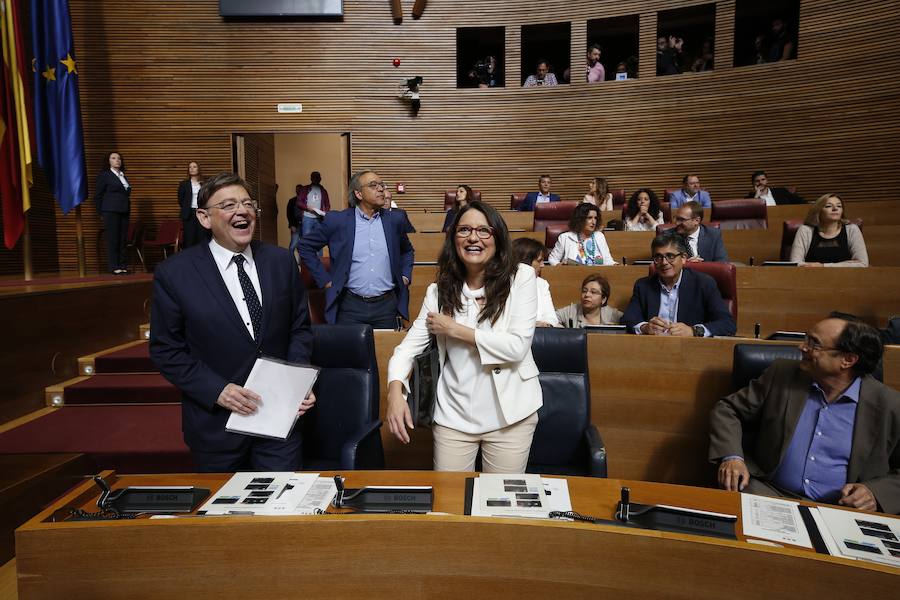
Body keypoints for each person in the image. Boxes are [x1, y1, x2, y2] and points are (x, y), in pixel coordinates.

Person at [149, 172, 316, 472]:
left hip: (279, 424)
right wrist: (217, 390)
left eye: (247, 203)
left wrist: (298, 382)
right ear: (204, 218)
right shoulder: (175, 274)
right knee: (223, 516)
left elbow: (299, 329)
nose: (242, 211)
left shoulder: (281, 262)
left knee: (284, 511)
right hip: (215, 427)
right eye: (228, 205)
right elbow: (166, 350)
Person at [385, 200, 542, 473]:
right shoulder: (438, 291)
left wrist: (455, 330)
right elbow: (407, 349)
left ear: (498, 238)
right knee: (451, 504)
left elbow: (516, 347)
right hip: (453, 417)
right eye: (464, 230)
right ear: (453, 238)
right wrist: (395, 391)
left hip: (511, 417)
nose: (473, 237)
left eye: (484, 230)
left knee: (500, 505)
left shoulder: (521, 278)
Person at [710, 314, 900, 514]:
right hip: (767, 493)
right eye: (806, 338)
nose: (802, 347)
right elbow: (727, 409)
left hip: (842, 511)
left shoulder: (889, 406)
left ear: (848, 360)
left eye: (814, 344)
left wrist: (875, 493)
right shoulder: (782, 374)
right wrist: (732, 457)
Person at [298, 170, 414, 328]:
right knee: (349, 352)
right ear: (359, 194)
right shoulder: (337, 221)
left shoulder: (395, 220)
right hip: (350, 306)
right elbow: (305, 246)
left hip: (387, 306)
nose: (381, 189)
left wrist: (405, 275)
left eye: (381, 185)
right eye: (373, 185)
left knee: (386, 352)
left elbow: (407, 250)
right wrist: (324, 280)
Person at [623, 233, 736, 337]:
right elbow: (628, 319)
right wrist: (645, 327)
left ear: (683, 258)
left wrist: (693, 331)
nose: (664, 262)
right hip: (653, 347)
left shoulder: (704, 284)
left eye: (670, 256)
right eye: (658, 257)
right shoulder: (643, 285)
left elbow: (727, 324)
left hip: (690, 349)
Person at [790, 193, 868, 267]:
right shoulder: (806, 230)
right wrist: (848, 264)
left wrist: (823, 266)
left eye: (839, 206)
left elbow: (862, 264)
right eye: (828, 206)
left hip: (846, 278)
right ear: (818, 211)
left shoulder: (851, 230)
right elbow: (796, 263)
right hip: (810, 277)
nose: (835, 209)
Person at [94, 152, 131, 274]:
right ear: (108, 161)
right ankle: (114, 266)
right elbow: (98, 195)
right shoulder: (105, 175)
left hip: (124, 210)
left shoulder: (123, 175)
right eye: (113, 158)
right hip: (110, 210)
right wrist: (100, 212)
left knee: (122, 239)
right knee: (113, 239)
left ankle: (122, 265)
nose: (117, 160)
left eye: (119, 158)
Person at [547, 202, 616, 266]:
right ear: (580, 219)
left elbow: (608, 260)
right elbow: (552, 259)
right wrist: (559, 265)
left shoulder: (599, 236)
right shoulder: (565, 237)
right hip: (573, 276)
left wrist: (615, 265)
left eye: (595, 218)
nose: (593, 222)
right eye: (589, 218)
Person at [513, 237, 559, 327]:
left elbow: (551, 318)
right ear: (524, 262)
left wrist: (545, 324)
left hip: (540, 334)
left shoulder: (542, 284)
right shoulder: (503, 282)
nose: (542, 265)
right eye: (539, 261)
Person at [556, 273, 623, 328]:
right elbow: (551, 318)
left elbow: (629, 321)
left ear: (603, 299)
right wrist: (564, 331)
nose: (587, 295)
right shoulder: (572, 311)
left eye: (593, 292)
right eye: (584, 291)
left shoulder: (612, 315)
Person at [177, 161, 205, 249]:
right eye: (190, 167)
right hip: (189, 214)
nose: (192, 169)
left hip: (201, 213)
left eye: (194, 167)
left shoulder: (204, 184)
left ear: (198, 169)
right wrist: (187, 208)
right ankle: (189, 260)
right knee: (189, 239)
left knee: (201, 237)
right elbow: (181, 200)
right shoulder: (184, 184)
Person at [295, 171, 331, 240]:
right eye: (314, 177)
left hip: (319, 219)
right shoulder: (305, 189)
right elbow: (299, 202)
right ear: (311, 178)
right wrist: (307, 208)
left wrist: (325, 212)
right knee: (306, 240)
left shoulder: (323, 191)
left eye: (318, 177)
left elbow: (327, 205)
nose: (316, 179)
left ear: (320, 179)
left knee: (319, 240)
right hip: (307, 218)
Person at [286, 194, 301, 264]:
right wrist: (291, 225)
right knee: (293, 245)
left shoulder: (305, 201)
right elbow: (289, 214)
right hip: (295, 225)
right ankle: (290, 261)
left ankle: (301, 262)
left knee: (302, 246)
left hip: (303, 225)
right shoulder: (292, 201)